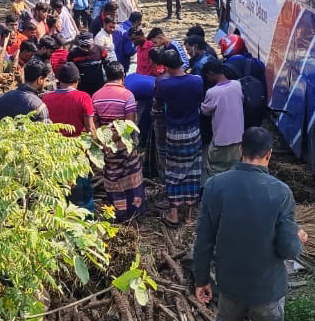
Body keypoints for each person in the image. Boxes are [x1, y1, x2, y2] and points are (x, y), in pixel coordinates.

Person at [194, 127, 307, 321]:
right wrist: (298, 239)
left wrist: (201, 278)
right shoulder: (281, 193)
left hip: (230, 284)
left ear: (240, 151)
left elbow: (204, 239)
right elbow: (288, 250)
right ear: (269, 155)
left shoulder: (216, 186)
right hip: (268, 290)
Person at [154, 46, 203, 226]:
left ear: (166, 66)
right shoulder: (197, 81)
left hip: (174, 133)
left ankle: (173, 214)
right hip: (193, 132)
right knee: (193, 171)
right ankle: (189, 216)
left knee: (174, 171)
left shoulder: (163, 83)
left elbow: (158, 106)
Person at [92, 61, 146, 222]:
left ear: (106, 76)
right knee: (131, 175)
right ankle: (135, 211)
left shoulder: (96, 96)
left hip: (106, 144)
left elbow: (94, 123)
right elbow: (129, 125)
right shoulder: (127, 95)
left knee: (112, 177)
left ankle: (118, 211)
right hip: (124, 144)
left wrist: (104, 141)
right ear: (122, 76)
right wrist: (119, 137)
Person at [43, 63, 96, 211]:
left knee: (60, 190)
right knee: (82, 192)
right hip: (77, 150)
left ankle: (61, 223)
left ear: (59, 80)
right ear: (77, 80)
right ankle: (85, 223)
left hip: (56, 151)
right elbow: (91, 128)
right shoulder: (83, 97)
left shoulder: (47, 98)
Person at [200, 59, 244, 177]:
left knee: (216, 170)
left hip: (221, 140)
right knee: (234, 169)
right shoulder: (237, 85)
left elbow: (205, 111)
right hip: (238, 137)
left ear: (210, 73)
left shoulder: (212, 92)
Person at [0, 59, 51, 131]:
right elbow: (44, 137)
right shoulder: (40, 107)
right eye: (45, 80)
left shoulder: (2, 98)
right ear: (40, 79)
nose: (45, 84)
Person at [68, 31, 108, 96]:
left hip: (98, 83)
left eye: (88, 47)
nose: (86, 50)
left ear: (92, 44)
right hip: (82, 86)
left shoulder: (100, 50)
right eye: (83, 48)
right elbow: (71, 70)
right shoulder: (73, 54)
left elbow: (107, 65)